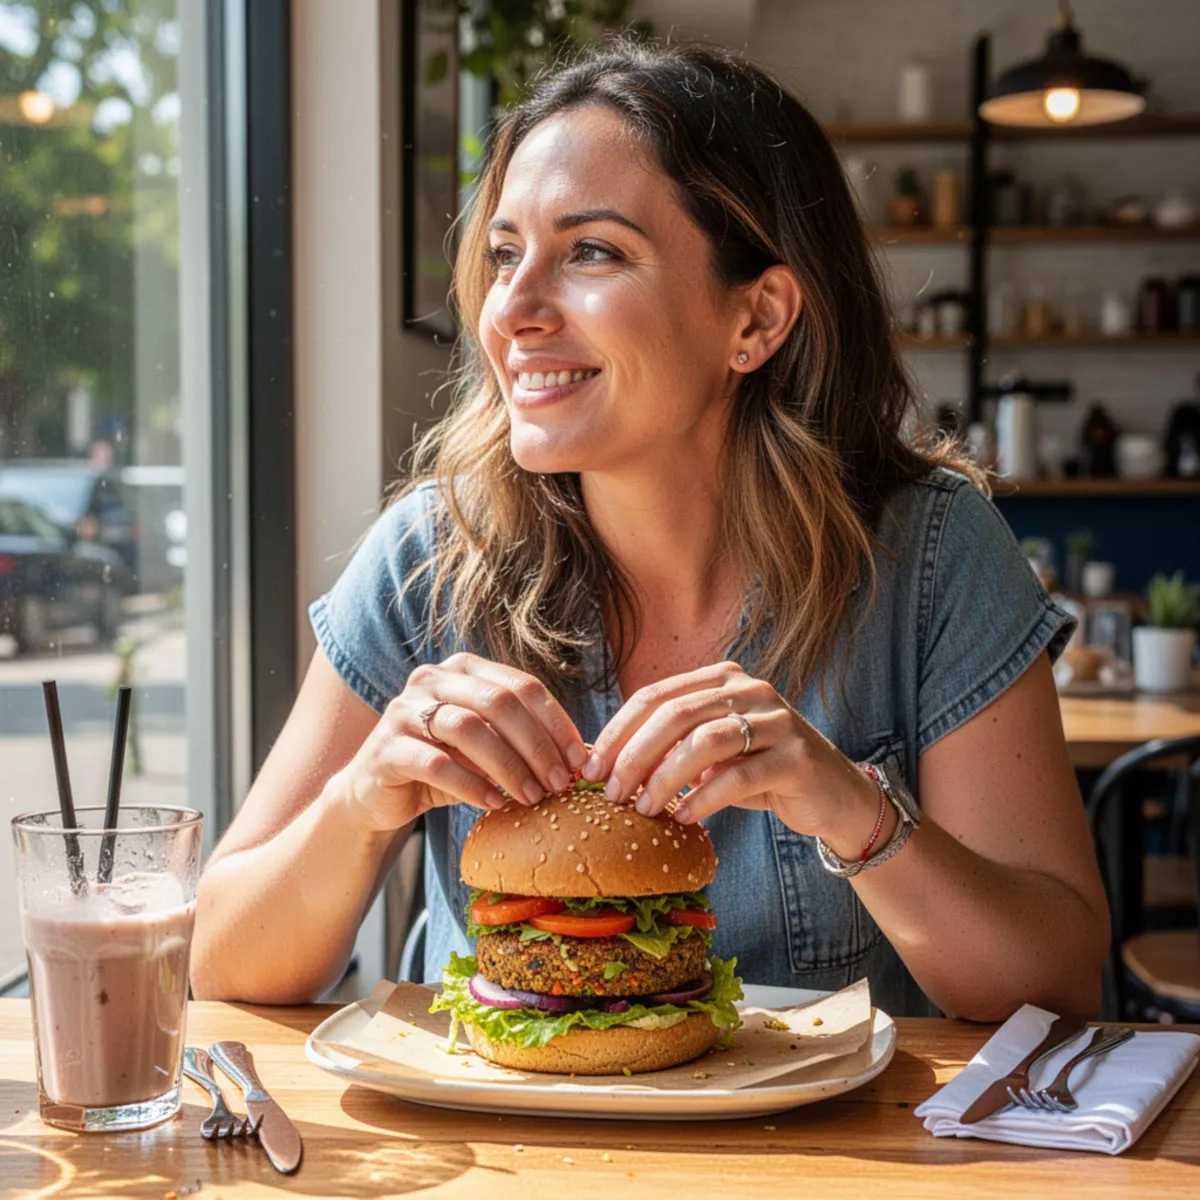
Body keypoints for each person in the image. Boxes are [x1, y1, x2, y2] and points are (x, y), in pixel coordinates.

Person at [191, 40, 1109, 1020]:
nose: (512, 311)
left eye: (591, 251)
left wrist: (852, 810)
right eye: (506, 254)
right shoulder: (431, 555)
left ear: (755, 317)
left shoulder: (931, 555)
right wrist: (360, 801)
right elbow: (219, 960)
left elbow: (1053, 984)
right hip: (500, 1162)